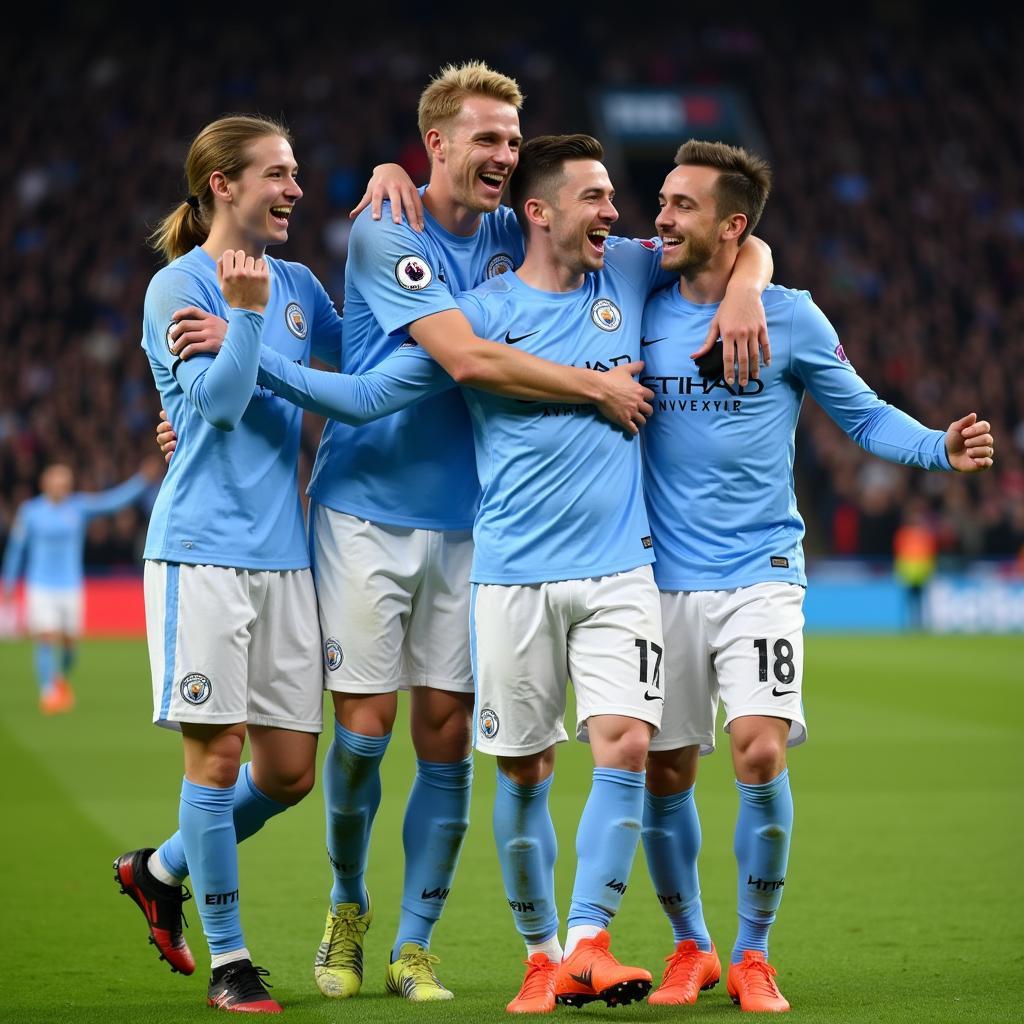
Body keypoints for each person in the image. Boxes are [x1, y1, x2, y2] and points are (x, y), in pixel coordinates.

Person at [244, 132, 771, 1015]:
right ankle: (480, 940)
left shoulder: (631, 274)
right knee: (478, 762)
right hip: (506, 570)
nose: (619, 213)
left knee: (620, 749)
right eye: (596, 198)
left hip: (616, 569)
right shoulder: (478, 308)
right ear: (539, 212)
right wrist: (247, 358)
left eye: (615, 200)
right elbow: (376, 393)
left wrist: (750, 280)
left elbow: (728, 233)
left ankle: (577, 944)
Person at [637, 140, 995, 1012]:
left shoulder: (792, 316)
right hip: (651, 577)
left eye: (682, 205)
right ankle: (692, 945)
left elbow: (864, 418)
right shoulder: (631, 296)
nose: (661, 217)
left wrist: (938, 449)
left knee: (757, 751)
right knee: (664, 771)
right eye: (661, 200)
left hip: (761, 568)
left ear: (732, 225)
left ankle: (754, 952)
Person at [113, 114, 344, 1014]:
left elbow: (359, 357)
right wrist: (245, 322)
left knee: (287, 773)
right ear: (223, 184)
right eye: (277, 174)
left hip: (285, 558)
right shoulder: (177, 284)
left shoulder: (297, 283)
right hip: (201, 552)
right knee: (217, 761)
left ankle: (159, 867)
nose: (293, 188)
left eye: (295, 171)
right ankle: (230, 962)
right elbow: (217, 409)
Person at [2, 460, 160, 713]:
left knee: (69, 647)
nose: (60, 486)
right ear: (45, 483)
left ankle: (58, 679)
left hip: (70, 586)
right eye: (55, 480)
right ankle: (48, 692)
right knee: (46, 637)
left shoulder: (78, 507)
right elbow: (16, 549)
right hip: (40, 586)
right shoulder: (31, 512)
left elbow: (113, 502)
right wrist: (9, 582)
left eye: (64, 481)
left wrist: (141, 480)